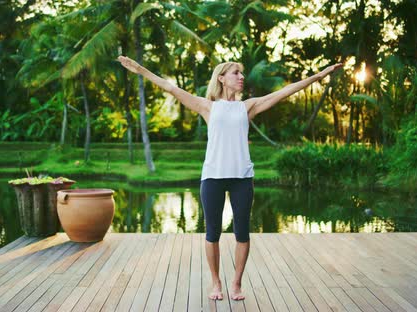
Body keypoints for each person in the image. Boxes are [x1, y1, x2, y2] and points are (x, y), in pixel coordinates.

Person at [118, 55, 342, 301]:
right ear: (222, 78)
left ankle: (236, 284)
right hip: (213, 177)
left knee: (242, 232)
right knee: (212, 233)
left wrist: (319, 76)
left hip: (242, 178)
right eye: (236, 73)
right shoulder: (207, 106)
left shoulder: (248, 106)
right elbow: (170, 87)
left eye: (242, 73)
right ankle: (216, 283)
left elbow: (286, 91)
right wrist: (139, 69)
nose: (242, 77)